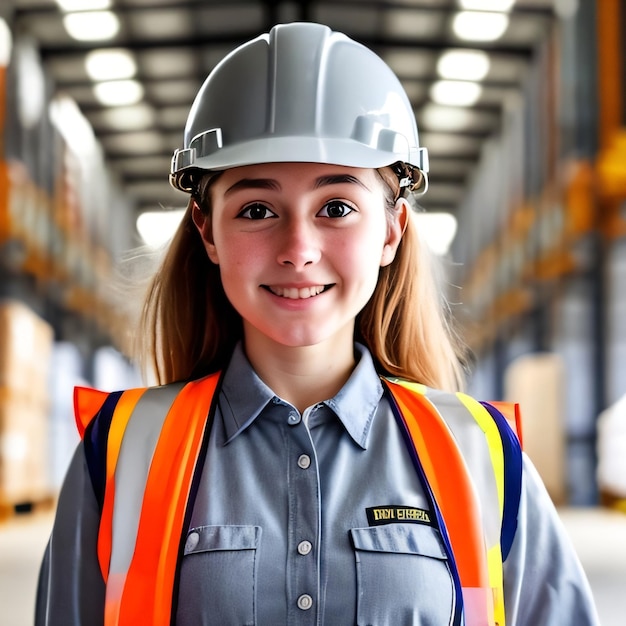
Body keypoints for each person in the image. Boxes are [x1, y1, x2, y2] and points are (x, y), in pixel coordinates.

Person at [36, 22, 600, 626]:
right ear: (207, 231)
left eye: (336, 207)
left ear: (391, 229)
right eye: (257, 209)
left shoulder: (481, 455)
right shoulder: (121, 454)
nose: (298, 248)